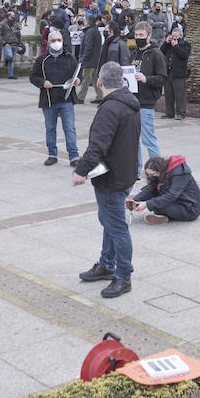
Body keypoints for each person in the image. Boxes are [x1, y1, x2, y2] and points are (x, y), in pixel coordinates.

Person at [72, 62, 141, 298]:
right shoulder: (128, 103)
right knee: (109, 220)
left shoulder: (110, 109)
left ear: (99, 83)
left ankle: (123, 275)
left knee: (116, 225)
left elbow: (97, 146)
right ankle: (106, 263)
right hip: (125, 172)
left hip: (113, 176)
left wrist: (80, 171)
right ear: (122, 82)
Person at [31, 28, 80, 166]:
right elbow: (33, 76)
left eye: (59, 40)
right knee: (50, 128)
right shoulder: (42, 59)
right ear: (48, 42)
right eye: (53, 40)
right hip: (48, 99)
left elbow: (78, 73)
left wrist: (78, 80)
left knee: (69, 128)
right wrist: (42, 82)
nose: (56, 43)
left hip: (67, 99)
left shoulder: (70, 57)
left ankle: (74, 156)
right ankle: (52, 154)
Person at [128, 155, 200, 224]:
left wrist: (147, 204)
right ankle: (164, 217)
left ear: (160, 170)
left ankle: (165, 216)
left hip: (190, 208)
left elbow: (171, 195)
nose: (151, 177)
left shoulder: (180, 173)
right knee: (157, 201)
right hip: (178, 201)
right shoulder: (163, 172)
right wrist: (136, 199)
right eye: (149, 175)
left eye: (153, 174)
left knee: (157, 204)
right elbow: (151, 189)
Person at [131, 21, 166, 165]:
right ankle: (136, 169)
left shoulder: (156, 54)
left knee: (148, 139)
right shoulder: (133, 53)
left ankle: (159, 170)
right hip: (132, 102)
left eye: (141, 35)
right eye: (136, 35)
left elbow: (162, 78)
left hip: (146, 103)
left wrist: (146, 79)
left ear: (149, 36)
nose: (138, 37)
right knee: (133, 141)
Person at [160, 24, 192, 120]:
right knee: (168, 94)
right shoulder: (168, 45)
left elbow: (184, 55)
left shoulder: (186, 45)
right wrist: (166, 43)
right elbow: (160, 53)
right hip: (168, 72)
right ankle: (169, 113)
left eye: (176, 37)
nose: (174, 39)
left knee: (179, 95)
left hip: (179, 73)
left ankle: (181, 113)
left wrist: (176, 46)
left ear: (181, 36)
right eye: (172, 37)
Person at [76, 16, 104, 105]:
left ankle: (80, 98)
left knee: (85, 79)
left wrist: (83, 59)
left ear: (88, 22)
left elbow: (88, 47)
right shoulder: (96, 31)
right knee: (95, 79)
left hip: (89, 60)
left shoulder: (90, 32)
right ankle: (100, 96)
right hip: (95, 60)